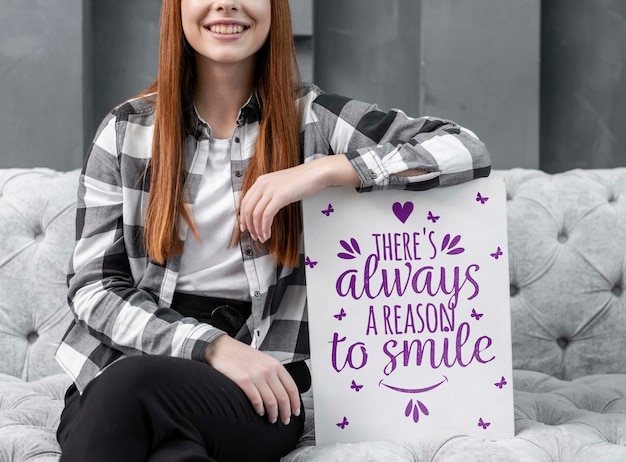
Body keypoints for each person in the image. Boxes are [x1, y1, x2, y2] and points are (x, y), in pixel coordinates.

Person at [54, 0, 491, 460]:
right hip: (129, 361)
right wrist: (210, 347)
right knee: (170, 448)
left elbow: (466, 149)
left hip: (259, 389)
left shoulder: (315, 121)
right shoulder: (127, 130)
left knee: (130, 387)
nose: (226, 3)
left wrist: (326, 170)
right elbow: (94, 288)